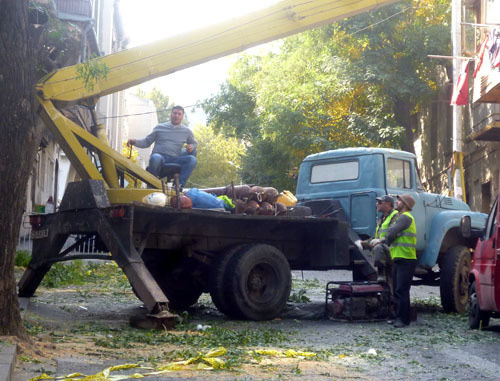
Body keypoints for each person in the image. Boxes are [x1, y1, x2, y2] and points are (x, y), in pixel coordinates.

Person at [372, 194, 417, 328]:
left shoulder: (405, 217)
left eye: (399, 201)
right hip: (399, 258)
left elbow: (392, 232)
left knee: (402, 290)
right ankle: (399, 317)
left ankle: (403, 319)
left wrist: (381, 240)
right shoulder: (401, 217)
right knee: (398, 289)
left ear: (405, 204)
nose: (397, 202)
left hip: (406, 258)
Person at [127, 106, 197, 188]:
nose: (176, 115)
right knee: (155, 157)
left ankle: (178, 186)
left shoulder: (187, 131)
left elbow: (194, 144)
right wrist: (135, 141)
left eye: (179, 114)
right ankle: (151, 186)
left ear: (182, 117)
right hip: (159, 157)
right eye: (174, 113)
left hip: (174, 159)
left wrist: (191, 146)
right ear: (171, 114)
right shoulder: (159, 127)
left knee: (192, 160)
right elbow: (146, 142)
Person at [360, 195, 399, 285]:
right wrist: (363, 243)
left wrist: (379, 241)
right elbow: (375, 237)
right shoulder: (382, 218)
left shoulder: (395, 215)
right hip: (385, 249)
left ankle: (381, 272)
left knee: (378, 247)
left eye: (380, 202)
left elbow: (391, 234)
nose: (377, 204)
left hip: (392, 249)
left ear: (388, 204)